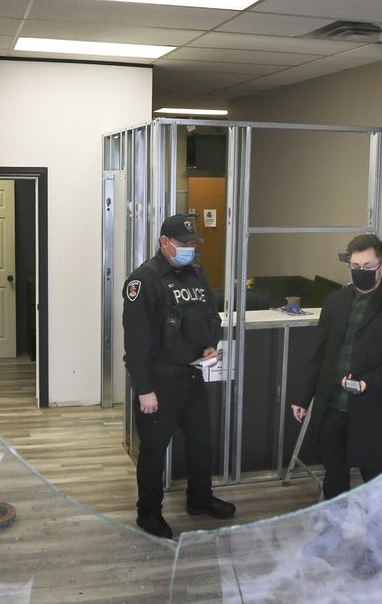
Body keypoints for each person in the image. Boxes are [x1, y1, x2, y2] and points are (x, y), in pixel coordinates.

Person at [288, 233, 382, 577]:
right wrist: (302, 396)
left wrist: (370, 381)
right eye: (355, 265)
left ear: (381, 264)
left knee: (376, 484)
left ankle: (375, 552)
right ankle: (331, 534)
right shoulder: (335, 302)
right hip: (333, 407)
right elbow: (319, 351)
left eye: (368, 266)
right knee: (333, 478)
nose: (360, 271)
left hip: (373, 413)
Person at [122, 213, 236, 539]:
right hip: (159, 381)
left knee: (201, 442)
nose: (188, 249)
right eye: (182, 244)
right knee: (154, 450)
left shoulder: (196, 274)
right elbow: (137, 341)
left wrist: (209, 347)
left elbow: (209, 319)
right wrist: (143, 389)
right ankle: (148, 513)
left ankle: (200, 499)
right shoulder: (144, 280)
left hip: (193, 376)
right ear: (164, 243)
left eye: (191, 244)